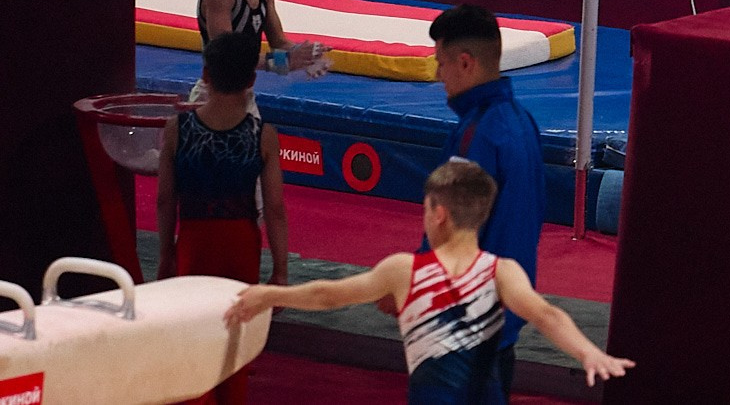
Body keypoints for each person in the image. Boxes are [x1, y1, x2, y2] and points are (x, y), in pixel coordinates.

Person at [228, 158, 628, 403]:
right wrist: (587, 352)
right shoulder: (502, 271)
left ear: (438, 214)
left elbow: (328, 295)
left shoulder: (405, 270)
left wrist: (270, 295)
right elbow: (546, 315)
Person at [158, 31, 289, 405]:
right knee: (235, 335)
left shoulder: (177, 130)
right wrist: (280, 270)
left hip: (194, 241)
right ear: (251, 80)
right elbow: (276, 209)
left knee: (193, 332)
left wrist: (167, 253)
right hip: (240, 244)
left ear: (206, 75)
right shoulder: (263, 135)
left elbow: (166, 200)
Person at [417, 5, 544, 390]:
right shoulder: (523, 123)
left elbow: (449, 227)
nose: (438, 75)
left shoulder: (478, 135)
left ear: (466, 63)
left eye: (441, 63)